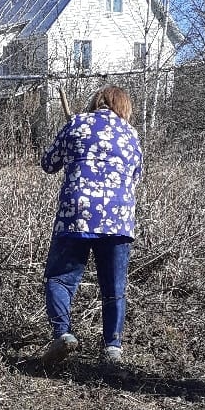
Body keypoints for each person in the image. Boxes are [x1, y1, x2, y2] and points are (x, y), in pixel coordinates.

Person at [40, 84, 142, 371]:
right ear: (123, 107)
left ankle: (63, 334)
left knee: (60, 279)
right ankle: (113, 348)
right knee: (114, 289)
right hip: (118, 217)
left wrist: (73, 144)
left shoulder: (77, 123)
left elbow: (48, 163)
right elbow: (134, 178)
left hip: (77, 213)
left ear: (96, 101)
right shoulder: (131, 134)